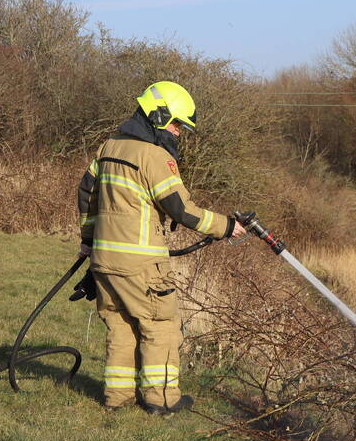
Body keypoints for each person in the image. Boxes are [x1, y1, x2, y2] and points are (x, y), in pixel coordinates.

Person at [76, 81, 246, 415]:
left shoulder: (108, 147)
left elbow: (86, 194)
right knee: (161, 326)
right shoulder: (154, 156)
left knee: (121, 325)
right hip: (141, 261)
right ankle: (162, 399)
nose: (179, 133)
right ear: (159, 116)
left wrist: (87, 240)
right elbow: (181, 209)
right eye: (177, 124)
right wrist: (226, 226)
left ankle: (117, 398)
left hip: (104, 259)